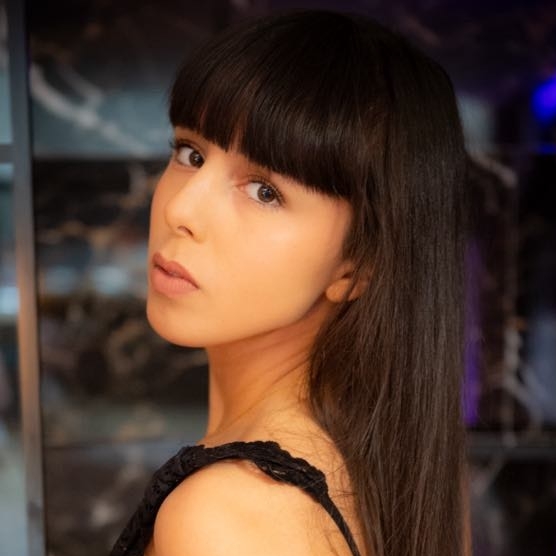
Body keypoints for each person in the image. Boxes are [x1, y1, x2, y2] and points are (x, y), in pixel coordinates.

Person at [110, 10, 469, 556]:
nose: (181, 209)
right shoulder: (407, 481)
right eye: (191, 153)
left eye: (265, 192)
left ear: (356, 266)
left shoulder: (222, 519)